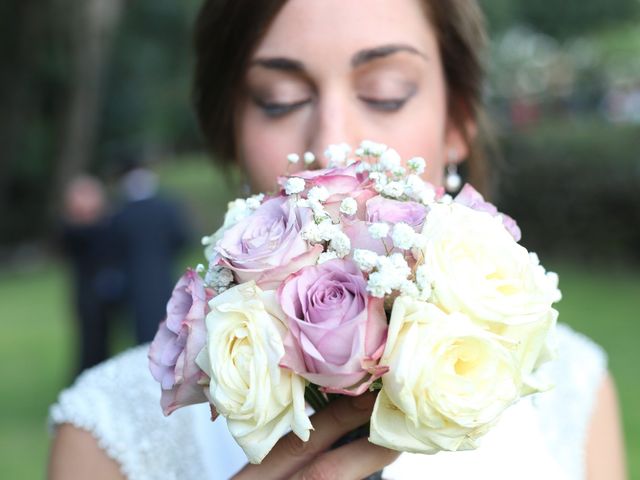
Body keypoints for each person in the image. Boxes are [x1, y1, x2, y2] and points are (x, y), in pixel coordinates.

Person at [48, 1, 627, 479]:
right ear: (228, 136)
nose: (333, 146)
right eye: (279, 100)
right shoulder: (108, 433)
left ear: (458, 124)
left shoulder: (569, 390)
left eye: (386, 92)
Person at [111, 158, 191, 343]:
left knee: (143, 327)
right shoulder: (167, 208)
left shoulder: (121, 215)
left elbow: (114, 249)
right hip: (164, 274)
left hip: (134, 279)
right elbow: (182, 238)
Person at [60, 175, 124, 373]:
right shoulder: (72, 230)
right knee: (90, 346)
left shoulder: (109, 224)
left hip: (110, 292)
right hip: (88, 297)